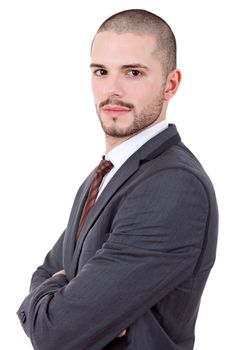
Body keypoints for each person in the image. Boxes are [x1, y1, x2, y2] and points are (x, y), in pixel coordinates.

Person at [17, 9, 218, 350]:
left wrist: (60, 294)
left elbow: (56, 334)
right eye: (101, 71)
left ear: (171, 84)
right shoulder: (105, 176)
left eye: (133, 72)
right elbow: (45, 272)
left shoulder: (172, 185)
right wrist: (57, 293)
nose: (112, 89)